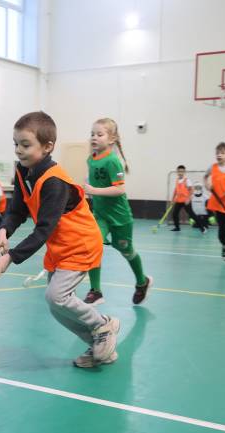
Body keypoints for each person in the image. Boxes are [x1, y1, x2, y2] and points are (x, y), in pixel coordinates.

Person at [0, 111, 120, 369]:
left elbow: (44, 229)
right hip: (61, 247)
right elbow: (17, 209)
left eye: (25, 145)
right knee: (56, 306)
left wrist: (11, 257)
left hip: (81, 244)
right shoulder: (23, 170)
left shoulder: (54, 181)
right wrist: (4, 230)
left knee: (55, 296)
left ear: (47, 147)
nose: (18, 150)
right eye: (16, 144)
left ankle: (102, 325)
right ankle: (100, 346)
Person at [82, 118, 152, 306]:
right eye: (92, 134)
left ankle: (142, 282)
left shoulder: (113, 161)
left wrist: (94, 190)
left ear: (111, 139)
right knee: (93, 246)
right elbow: (92, 182)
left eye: (99, 134)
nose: (94, 137)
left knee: (126, 251)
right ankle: (95, 291)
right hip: (101, 216)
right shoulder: (90, 159)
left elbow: (119, 189)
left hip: (120, 218)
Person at [171, 165, 197, 231]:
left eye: (182, 171)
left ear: (184, 172)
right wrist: (173, 199)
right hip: (178, 201)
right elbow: (176, 190)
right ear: (177, 172)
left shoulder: (187, 180)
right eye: (179, 171)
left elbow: (192, 190)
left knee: (191, 214)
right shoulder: (177, 180)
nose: (180, 173)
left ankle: (202, 227)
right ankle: (177, 227)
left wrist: (188, 199)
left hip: (185, 201)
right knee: (174, 214)